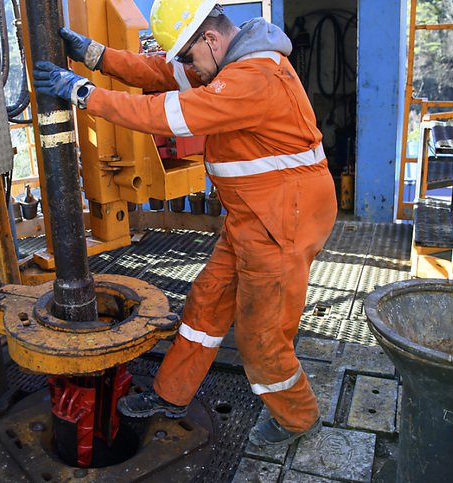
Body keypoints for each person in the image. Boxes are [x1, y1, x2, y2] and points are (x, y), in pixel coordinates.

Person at [33, 0, 337, 447]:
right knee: (207, 303)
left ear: (210, 40)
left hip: (282, 222)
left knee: (261, 338)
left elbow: (165, 114)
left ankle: (297, 418)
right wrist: (94, 55)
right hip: (255, 215)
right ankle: (172, 395)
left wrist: (83, 93)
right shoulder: (229, 62)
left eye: (188, 55)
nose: (185, 65)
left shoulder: (255, 77)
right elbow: (159, 74)